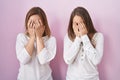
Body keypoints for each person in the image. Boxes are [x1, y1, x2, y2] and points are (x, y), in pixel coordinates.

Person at [16, 7, 56, 80]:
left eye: (38, 23)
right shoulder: (21, 37)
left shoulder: (51, 40)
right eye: (31, 23)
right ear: (27, 25)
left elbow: (43, 60)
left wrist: (39, 37)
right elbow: (23, 59)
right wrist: (32, 38)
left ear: (44, 25)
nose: (34, 26)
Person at [63, 7, 104, 80]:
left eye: (81, 23)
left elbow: (96, 60)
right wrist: (78, 38)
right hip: (72, 78)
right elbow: (68, 60)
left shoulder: (98, 36)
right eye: (76, 23)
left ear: (87, 22)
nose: (79, 27)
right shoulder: (68, 37)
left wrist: (84, 36)